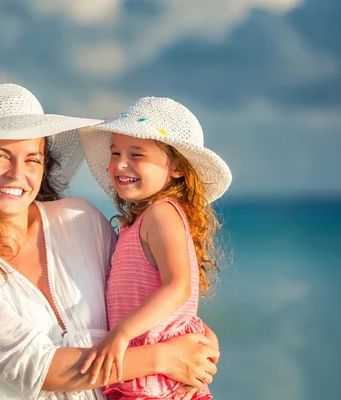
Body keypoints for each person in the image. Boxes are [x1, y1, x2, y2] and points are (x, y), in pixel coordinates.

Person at [0, 84, 221, 400]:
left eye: (32, 159)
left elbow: (143, 290)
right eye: (0, 156)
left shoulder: (79, 218)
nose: (17, 173)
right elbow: (36, 368)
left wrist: (200, 341)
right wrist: (162, 358)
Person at [78, 96, 232, 399]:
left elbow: (178, 288)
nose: (121, 163)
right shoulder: (137, 222)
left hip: (161, 382)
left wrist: (120, 335)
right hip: (149, 372)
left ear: (176, 166)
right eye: (115, 152)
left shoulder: (161, 212)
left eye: (137, 154)